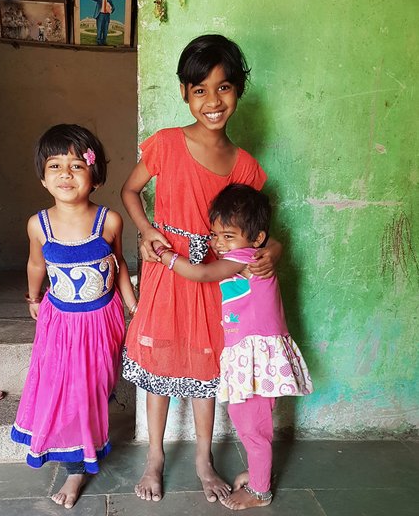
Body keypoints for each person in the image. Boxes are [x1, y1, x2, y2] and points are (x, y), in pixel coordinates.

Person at [121, 34, 282, 503]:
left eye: (224, 88)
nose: (213, 101)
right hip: (166, 271)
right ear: (183, 93)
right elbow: (130, 192)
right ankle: (155, 456)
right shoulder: (167, 144)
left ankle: (203, 459)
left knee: (205, 367)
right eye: (200, 90)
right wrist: (148, 230)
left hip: (217, 282)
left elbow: (260, 229)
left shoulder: (247, 167)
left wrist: (274, 249)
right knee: (161, 361)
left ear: (238, 91)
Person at [154, 183, 314, 509]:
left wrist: (166, 256)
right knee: (249, 422)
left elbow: (201, 274)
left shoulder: (244, 258)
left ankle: (260, 492)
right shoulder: (251, 252)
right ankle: (258, 474)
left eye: (228, 236)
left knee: (253, 427)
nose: (219, 243)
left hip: (254, 355)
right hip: (250, 354)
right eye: (216, 235)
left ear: (256, 239)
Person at [11, 124, 137, 509]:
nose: (66, 173)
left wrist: (135, 307)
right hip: (60, 322)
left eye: (77, 165)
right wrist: (33, 297)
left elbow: (119, 268)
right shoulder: (39, 224)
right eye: (55, 165)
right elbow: (36, 264)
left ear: (95, 176)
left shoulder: (109, 220)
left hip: (102, 320)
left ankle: (91, 433)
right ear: (43, 177)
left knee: (97, 382)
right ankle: (76, 467)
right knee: (66, 387)